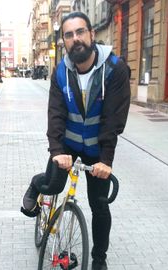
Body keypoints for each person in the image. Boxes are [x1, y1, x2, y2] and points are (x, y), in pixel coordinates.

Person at [21, 11, 130, 270]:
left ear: (92, 35)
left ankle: (99, 261)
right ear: (64, 42)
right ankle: (36, 186)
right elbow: (55, 114)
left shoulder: (115, 69)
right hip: (67, 145)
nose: (75, 38)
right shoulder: (61, 72)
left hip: (96, 148)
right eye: (69, 35)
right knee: (52, 186)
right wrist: (57, 150)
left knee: (100, 206)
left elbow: (113, 120)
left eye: (80, 32)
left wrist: (105, 161)